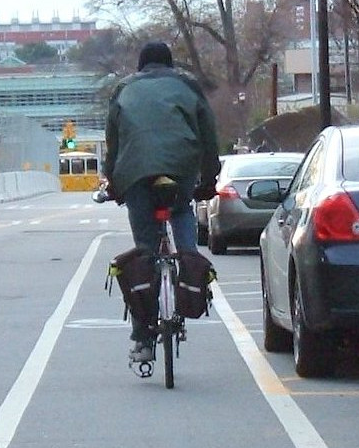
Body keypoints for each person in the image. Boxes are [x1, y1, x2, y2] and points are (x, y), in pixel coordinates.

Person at [103, 41, 221, 362]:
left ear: (141, 67)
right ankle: (188, 265)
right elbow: (209, 135)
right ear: (170, 65)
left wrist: (113, 183)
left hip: (136, 173)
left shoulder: (124, 90)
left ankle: (142, 337)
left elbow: (113, 142)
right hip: (181, 169)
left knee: (145, 251)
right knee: (181, 211)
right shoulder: (187, 86)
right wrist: (209, 180)